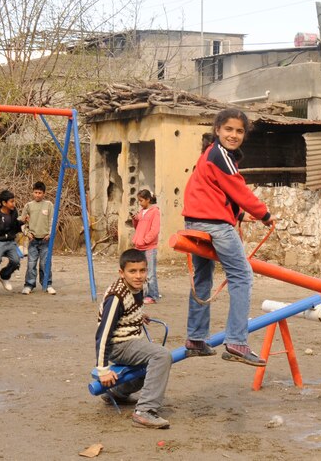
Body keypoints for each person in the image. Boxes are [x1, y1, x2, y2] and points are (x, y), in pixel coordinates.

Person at [182, 108, 275, 367]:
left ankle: (196, 339)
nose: (233, 135)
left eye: (239, 131)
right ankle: (236, 341)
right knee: (241, 275)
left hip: (196, 221)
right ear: (217, 130)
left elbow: (214, 193)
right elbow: (238, 190)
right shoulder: (220, 155)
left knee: (203, 277)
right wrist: (264, 213)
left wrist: (240, 217)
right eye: (229, 129)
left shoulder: (210, 154)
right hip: (214, 226)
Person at [95, 248, 172, 429]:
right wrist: (103, 370)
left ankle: (116, 393)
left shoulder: (137, 288)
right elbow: (103, 334)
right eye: (132, 271)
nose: (138, 276)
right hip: (118, 345)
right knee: (162, 356)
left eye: (142, 271)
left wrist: (139, 316)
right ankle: (144, 411)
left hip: (131, 341)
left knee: (149, 369)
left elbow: (131, 309)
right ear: (121, 273)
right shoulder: (115, 298)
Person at [20, 181, 55, 295]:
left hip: (45, 240)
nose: (37, 195)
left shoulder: (49, 205)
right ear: (32, 193)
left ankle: (47, 284)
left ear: (44, 193)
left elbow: (52, 221)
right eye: (35, 192)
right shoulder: (28, 206)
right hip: (33, 240)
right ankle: (29, 285)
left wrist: (50, 233)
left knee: (45, 263)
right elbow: (22, 221)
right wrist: (27, 232)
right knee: (31, 263)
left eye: (40, 193)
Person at [132, 189, 161, 304]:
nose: (140, 203)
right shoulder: (141, 212)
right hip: (139, 246)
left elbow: (155, 230)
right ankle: (144, 294)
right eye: (139, 201)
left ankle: (153, 295)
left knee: (150, 273)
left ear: (148, 200)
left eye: (141, 200)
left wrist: (145, 240)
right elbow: (137, 227)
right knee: (140, 272)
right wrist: (134, 219)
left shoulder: (155, 212)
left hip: (149, 247)